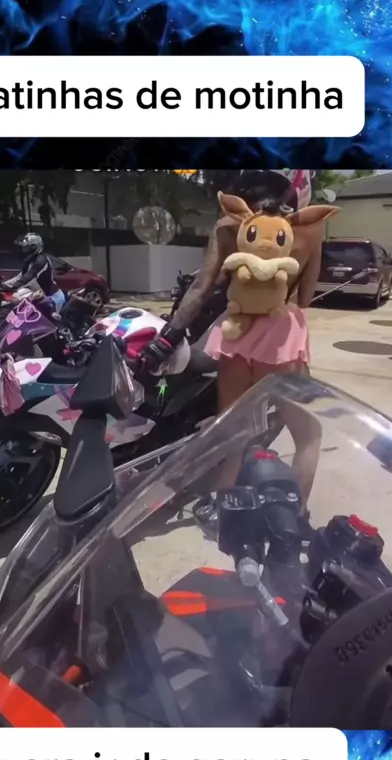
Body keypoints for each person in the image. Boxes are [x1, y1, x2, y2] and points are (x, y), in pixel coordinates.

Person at [140, 170, 339, 514]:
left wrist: (169, 336)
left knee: (233, 433)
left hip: (235, 334)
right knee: (309, 434)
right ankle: (294, 516)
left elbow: (203, 287)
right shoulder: (308, 230)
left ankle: (223, 509)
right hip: (280, 341)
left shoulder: (228, 225)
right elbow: (305, 297)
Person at [1, 233, 66, 312]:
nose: (23, 250)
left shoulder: (41, 261)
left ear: (34, 248)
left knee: (37, 319)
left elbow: (28, 279)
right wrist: (3, 285)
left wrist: (11, 288)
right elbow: (20, 276)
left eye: (26, 248)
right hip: (39, 296)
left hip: (52, 298)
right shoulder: (30, 260)